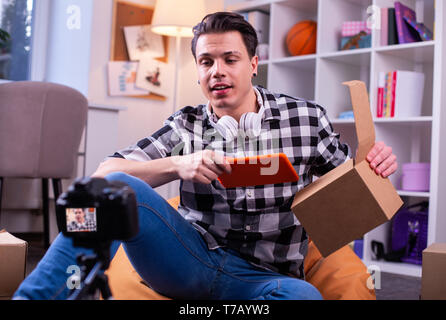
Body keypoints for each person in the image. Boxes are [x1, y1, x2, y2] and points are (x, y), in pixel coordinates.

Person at [14, 12, 398, 300]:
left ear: (253, 65)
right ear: (197, 71)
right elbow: (106, 173)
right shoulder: (187, 126)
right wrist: (179, 164)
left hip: (265, 277)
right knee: (116, 189)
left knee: (305, 298)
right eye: (206, 62)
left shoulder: (306, 119)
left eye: (230, 60)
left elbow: (353, 182)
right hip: (186, 260)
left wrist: (376, 165)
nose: (218, 71)